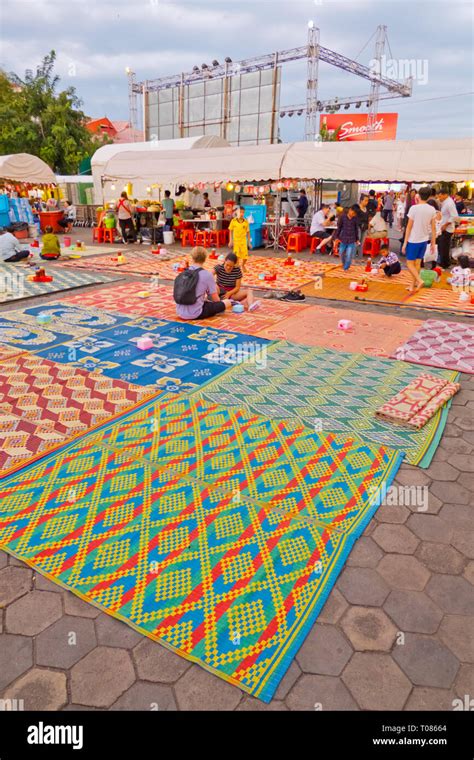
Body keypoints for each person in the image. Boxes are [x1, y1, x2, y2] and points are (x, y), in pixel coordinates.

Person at [174, 246, 232, 320]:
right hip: (196, 313)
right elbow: (216, 300)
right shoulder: (207, 275)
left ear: (192, 257)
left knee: (204, 301)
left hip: (180, 312)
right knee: (227, 302)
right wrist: (220, 304)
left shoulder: (184, 272)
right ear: (205, 259)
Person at [401, 185, 437, 293]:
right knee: (417, 264)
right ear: (429, 196)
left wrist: (404, 243)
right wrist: (433, 242)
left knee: (409, 263)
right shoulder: (431, 209)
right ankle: (412, 286)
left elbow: (409, 227)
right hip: (424, 240)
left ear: (419, 195)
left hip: (414, 240)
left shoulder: (414, 208)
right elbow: (434, 228)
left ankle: (419, 280)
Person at [437, 187, 459, 268]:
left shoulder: (449, 203)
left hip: (447, 229)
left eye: (440, 196)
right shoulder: (445, 202)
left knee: (444, 247)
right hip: (443, 227)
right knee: (443, 246)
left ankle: (445, 264)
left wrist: (445, 225)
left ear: (445, 195)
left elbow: (455, 216)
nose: (439, 198)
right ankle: (444, 262)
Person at [335, 206, 359, 271]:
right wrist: (336, 237)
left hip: (351, 239)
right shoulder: (343, 217)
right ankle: (344, 263)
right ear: (350, 210)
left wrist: (357, 239)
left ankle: (346, 268)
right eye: (353, 213)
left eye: (355, 214)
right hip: (343, 238)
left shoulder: (355, 219)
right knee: (341, 253)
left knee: (349, 254)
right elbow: (339, 227)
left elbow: (356, 229)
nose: (353, 215)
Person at [229, 206, 252, 272]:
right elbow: (230, 231)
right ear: (237, 212)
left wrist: (249, 242)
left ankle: (243, 265)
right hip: (236, 241)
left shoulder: (246, 221)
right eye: (240, 212)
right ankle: (237, 268)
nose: (242, 214)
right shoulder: (233, 221)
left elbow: (248, 232)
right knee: (236, 256)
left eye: (243, 212)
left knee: (245, 256)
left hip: (243, 241)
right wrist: (231, 240)